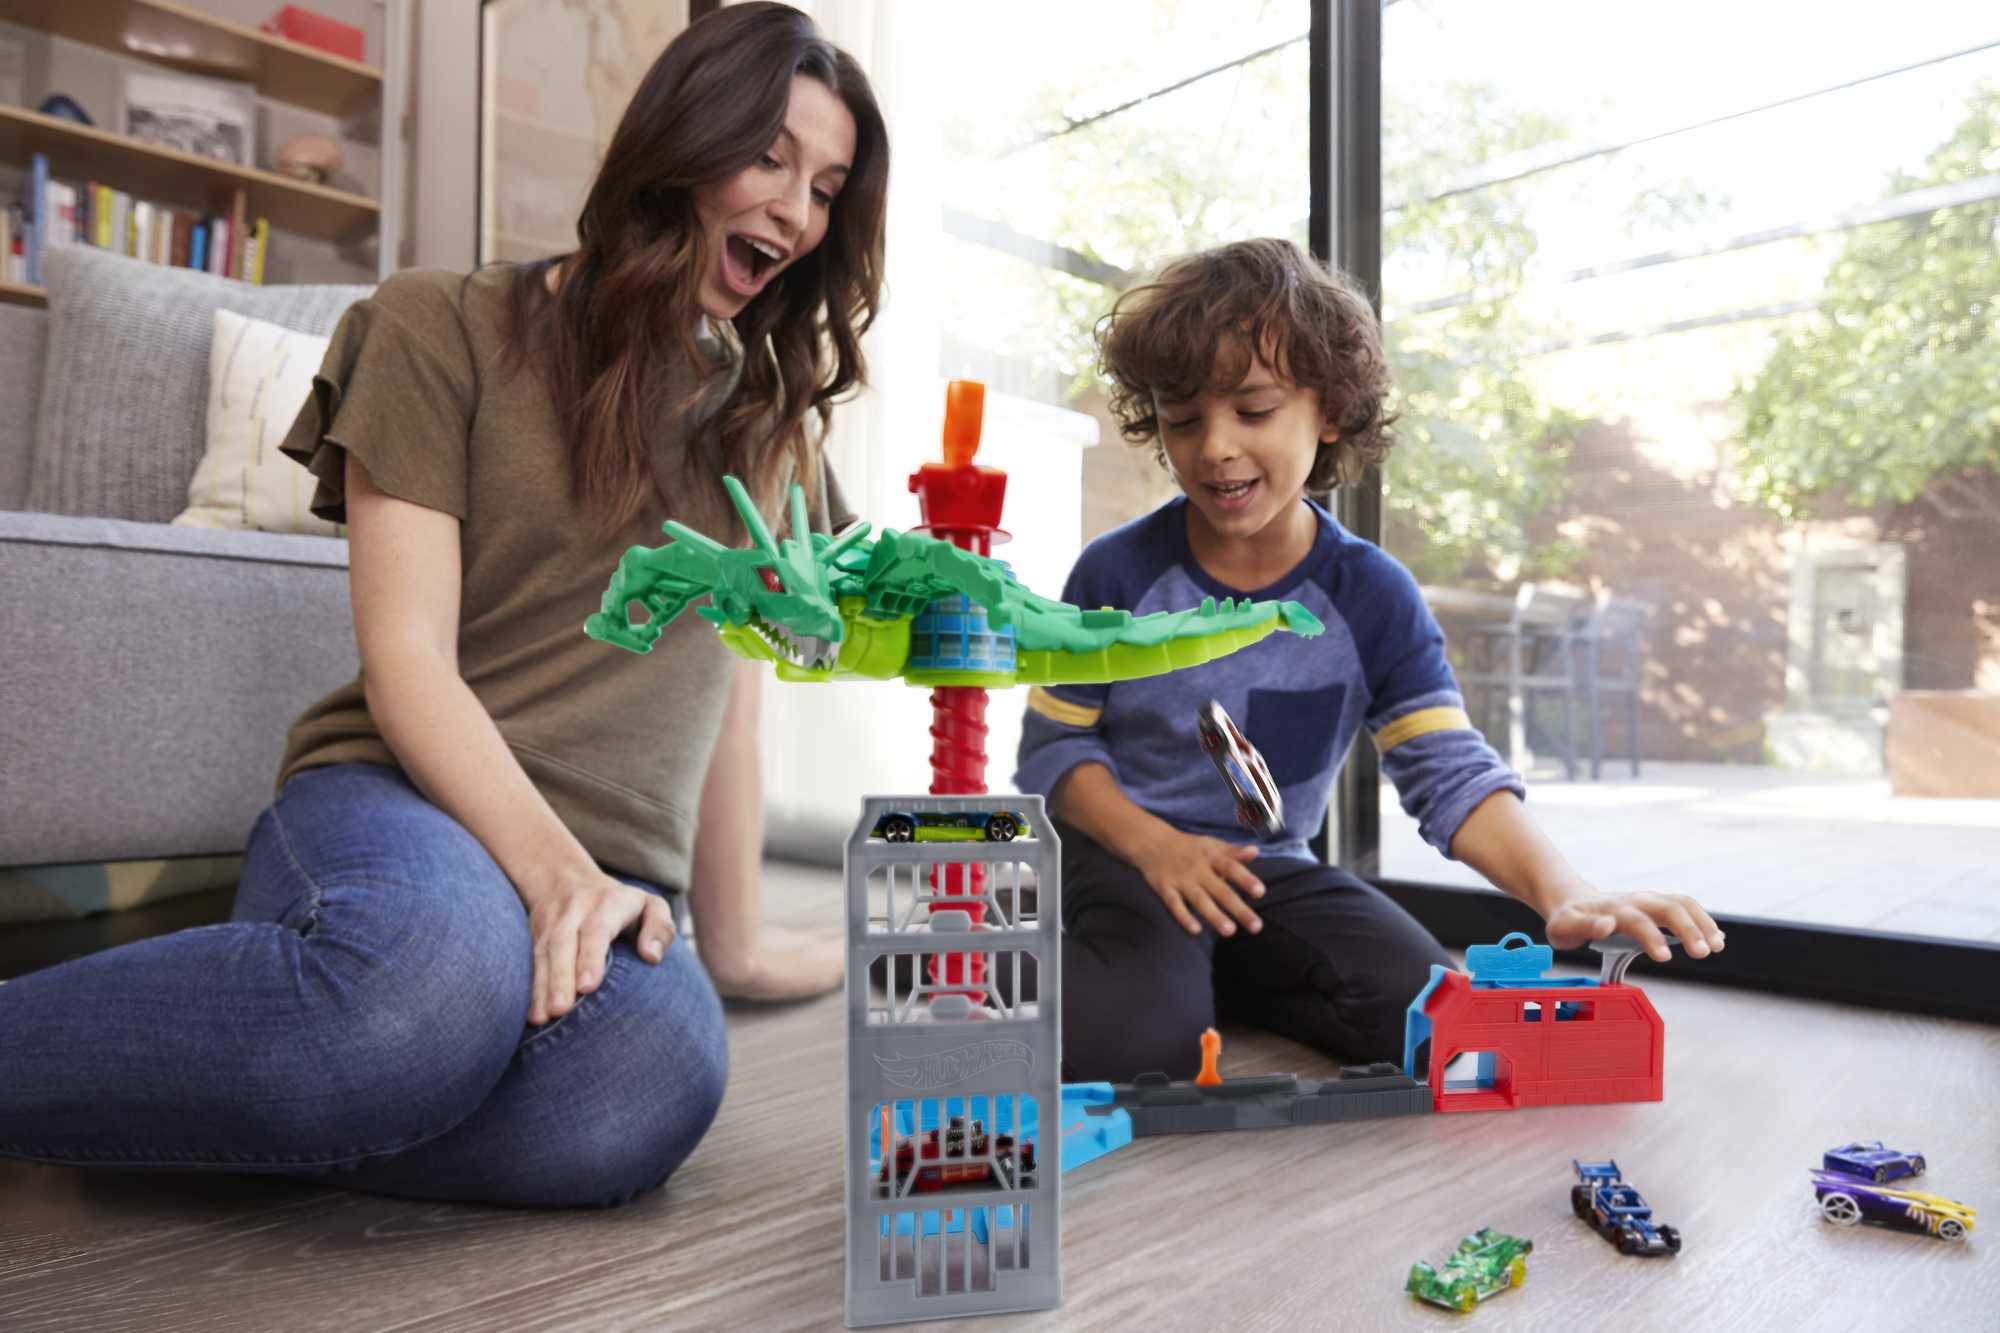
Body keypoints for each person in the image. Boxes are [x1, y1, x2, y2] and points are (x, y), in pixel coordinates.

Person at [0, 2, 887, 1209]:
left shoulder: (767, 425)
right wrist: (555, 876)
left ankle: (222, 1095)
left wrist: (735, 947)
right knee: (423, 992)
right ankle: (284, 1066)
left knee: (645, 1084)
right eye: (770, 159)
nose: (795, 212)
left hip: (615, 873)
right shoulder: (440, 324)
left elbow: (728, 702)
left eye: (826, 189)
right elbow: (406, 659)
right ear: (682, 143)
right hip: (403, 806)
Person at [1015, 238, 1724, 1084]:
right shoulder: (1116, 573)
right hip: (1126, 857)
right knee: (1139, 1051)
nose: (1213, 447)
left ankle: (1202, 974)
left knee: (1436, 1022)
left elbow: (1447, 768)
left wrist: (1561, 890)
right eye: (1182, 417)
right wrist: (1157, 846)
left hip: (1269, 871)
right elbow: (1054, 750)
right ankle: (1126, 968)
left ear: (1330, 411)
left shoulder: (1372, 594)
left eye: (1253, 409)